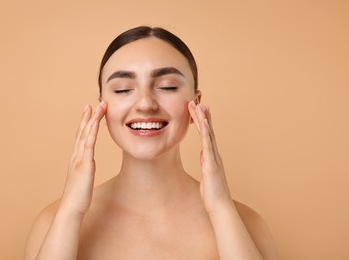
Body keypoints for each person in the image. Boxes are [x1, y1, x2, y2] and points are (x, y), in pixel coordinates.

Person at [25, 26, 277, 260]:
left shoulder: (246, 224)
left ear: (196, 104)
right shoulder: (55, 222)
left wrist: (221, 210)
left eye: (167, 87)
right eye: (123, 89)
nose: (145, 104)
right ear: (102, 107)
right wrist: (71, 212)